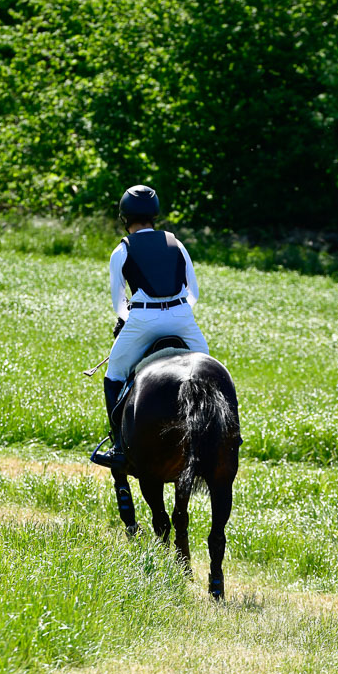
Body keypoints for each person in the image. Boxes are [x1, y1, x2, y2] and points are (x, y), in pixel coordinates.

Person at [93, 184, 209, 469]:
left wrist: (131, 317)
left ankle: (119, 446)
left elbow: (119, 302)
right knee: (211, 371)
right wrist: (176, 311)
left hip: (143, 319)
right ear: (155, 214)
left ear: (124, 216)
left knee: (114, 375)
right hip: (183, 317)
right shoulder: (176, 243)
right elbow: (193, 292)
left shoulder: (122, 249)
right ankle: (222, 436)